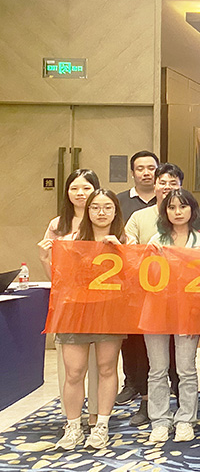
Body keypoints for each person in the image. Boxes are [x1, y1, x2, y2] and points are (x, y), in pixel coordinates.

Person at [53, 189, 126, 450]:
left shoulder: (126, 240)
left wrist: (122, 252)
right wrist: (46, 255)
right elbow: (59, 277)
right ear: (88, 211)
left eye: (107, 207)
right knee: (74, 371)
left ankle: (101, 425)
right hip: (75, 312)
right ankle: (73, 426)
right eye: (95, 207)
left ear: (116, 211)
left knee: (107, 368)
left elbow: (135, 280)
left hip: (109, 310)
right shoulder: (72, 240)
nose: (101, 213)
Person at [143, 188, 200, 443]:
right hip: (157, 310)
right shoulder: (155, 240)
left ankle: (185, 420)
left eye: (183, 206)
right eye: (171, 207)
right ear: (165, 212)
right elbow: (146, 277)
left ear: (192, 210)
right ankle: (160, 420)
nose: (177, 212)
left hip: (188, 311)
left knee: (186, 369)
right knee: (157, 369)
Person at [123, 163, 186, 426]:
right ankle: (147, 403)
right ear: (155, 184)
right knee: (149, 357)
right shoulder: (139, 217)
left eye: (173, 183)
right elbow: (129, 252)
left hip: (182, 299)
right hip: (148, 297)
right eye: (163, 182)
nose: (167, 187)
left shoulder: (187, 216)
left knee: (182, 359)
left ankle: (184, 408)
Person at [38, 168, 102, 428]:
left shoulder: (103, 219)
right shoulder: (57, 225)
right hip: (69, 302)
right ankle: (71, 415)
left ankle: (97, 412)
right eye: (74, 188)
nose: (80, 193)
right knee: (71, 365)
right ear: (67, 192)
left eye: (86, 188)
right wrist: (44, 258)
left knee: (101, 362)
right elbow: (53, 273)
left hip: (100, 300)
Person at [116, 150, 158, 222]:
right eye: (140, 169)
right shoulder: (119, 200)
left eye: (151, 168)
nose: (146, 173)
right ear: (132, 173)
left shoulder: (167, 199)